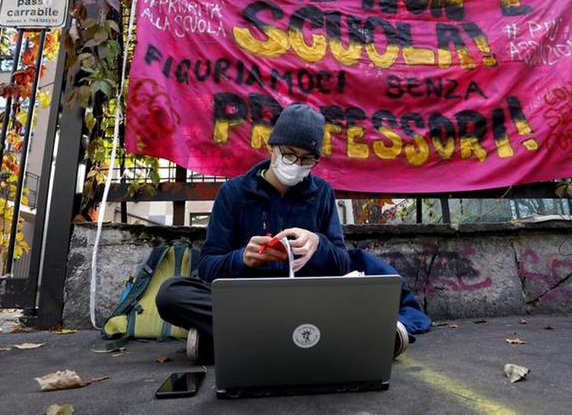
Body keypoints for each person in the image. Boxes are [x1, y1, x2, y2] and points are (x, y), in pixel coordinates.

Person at [156, 103, 408, 363]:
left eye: (307, 159)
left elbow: (342, 262)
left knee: (367, 291)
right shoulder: (234, 193)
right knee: (171, 293)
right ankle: (323, 339)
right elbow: (208, 266)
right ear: (272, 147)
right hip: (251, 301)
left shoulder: (321, 193)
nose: (297, 164)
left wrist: (318, 244)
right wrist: (241, 258)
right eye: (288, 154)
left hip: (308, 301)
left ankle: (234, 339)